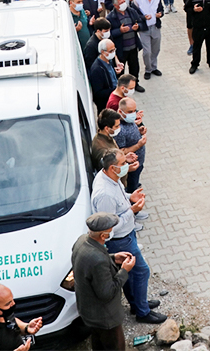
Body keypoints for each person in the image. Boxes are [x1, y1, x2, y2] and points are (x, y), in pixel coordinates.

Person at [91, 151, 166, 325]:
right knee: (142, 271)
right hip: (119, 240)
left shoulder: (109, 178)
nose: (126, 165)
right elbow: (108, 228)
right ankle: (142, 312)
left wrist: (129, 198)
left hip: (127, 233)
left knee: (132, 273)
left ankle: (137, 304)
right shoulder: (105, 195)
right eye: (123, 162)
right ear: (112, 167)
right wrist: (132, 211)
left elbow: (120, 197)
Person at [71, 212, 135, 351]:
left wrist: (113, 258)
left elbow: (89, 265)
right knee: (114, 346)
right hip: (105, 318)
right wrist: (124, 270)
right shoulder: (97, 260)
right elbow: (107, 293)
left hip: (89, 313)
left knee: (98, 343)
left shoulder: (81, 241)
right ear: (103, 236)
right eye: (110, 231)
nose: (111, 232)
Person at [107, 0, 145, 92]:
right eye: (121, 3)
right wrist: (120, 31)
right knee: (121, 70)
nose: (124, 4)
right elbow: (109, 33)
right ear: (115, 5)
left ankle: (135, 84)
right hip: (121, 49)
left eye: (124, 1)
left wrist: (138, 26)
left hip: (133, 46)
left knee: (134, 67)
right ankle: (122, 88)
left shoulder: (131, 11)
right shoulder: (111, 17)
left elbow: (140, 21)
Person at [113, 97, 148, 192]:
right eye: (130, 111)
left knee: (137, 175)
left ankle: (135, 184)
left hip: (139, 160)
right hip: (131, 165)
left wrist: (139, 131)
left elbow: (131, 131)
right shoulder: (119, 129)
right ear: (120, 111)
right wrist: (138, 145)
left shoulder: (128, 120)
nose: (133, 114)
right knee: (132, 184)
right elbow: (121, 151)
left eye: (134, 111)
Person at [133, 0, 163, 79]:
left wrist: (160, 14)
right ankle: (148, 69)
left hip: (155, 27)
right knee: (147, 51)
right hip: (144, 29)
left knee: (156, 49)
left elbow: (161, 9)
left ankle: (154, 67)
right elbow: (135, 14)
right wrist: (143, 17)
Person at [90, 39, 120, 112]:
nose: (113, 53)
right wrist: (116, 90)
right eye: (111, 51)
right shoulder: (97, 69)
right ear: (103, 52)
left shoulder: (109, 60)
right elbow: (98, 93)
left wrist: (116, 73)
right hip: (106, 104)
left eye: (114, 49)